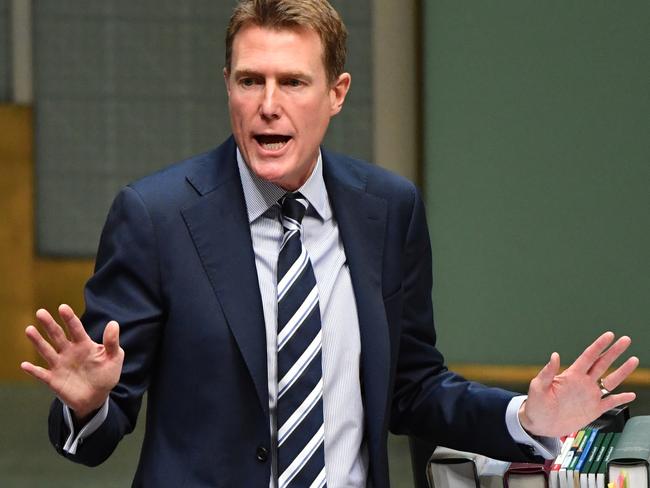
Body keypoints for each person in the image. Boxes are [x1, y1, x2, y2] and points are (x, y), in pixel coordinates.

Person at [21, 1, 638, 487]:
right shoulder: (156, 217)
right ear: (228, 86)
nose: (268, 106)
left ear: (336, 93)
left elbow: (413, 387)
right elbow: (94, 432)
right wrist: (88, 407)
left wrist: (527, 421)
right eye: (249, 80)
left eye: (292, 81)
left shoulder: (389, 210)